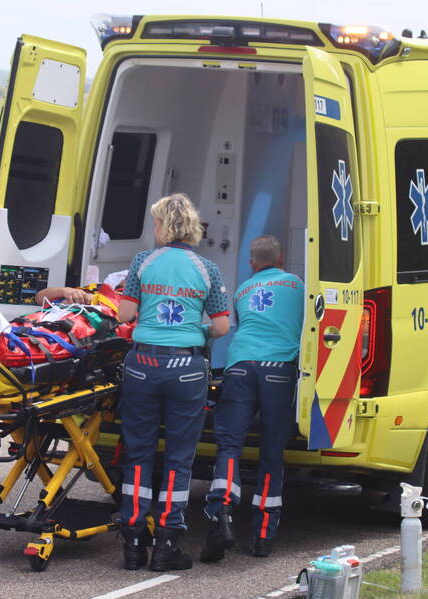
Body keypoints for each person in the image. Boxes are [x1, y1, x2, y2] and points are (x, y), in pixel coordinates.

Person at [116, 193, 230, 572]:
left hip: (142, 365)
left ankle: (133, 542)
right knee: (180, 458)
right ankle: (168, 543)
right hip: (186, 368)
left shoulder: (142, 261)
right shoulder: (206, 269)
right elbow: (221, 326)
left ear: (163, 225)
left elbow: (126, 313)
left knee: (138, 453)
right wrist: (191, 327)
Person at [199, 235, 304, 562]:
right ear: (282, 259)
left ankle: (222, 517)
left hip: (240, 365)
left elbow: (241, 326)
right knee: (272, 451)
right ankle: (262, 537)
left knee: (229, 445)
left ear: (252, 263)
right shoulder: (297, 284)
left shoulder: (243, 289)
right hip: (278, 369)